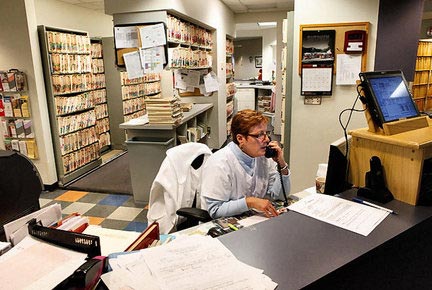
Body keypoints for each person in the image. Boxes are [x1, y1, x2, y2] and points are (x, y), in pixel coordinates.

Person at [201, 109, 291, 219]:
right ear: (240, 138)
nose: (267, 139)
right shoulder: (220, 163)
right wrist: (250, 202)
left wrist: (282, 164)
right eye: (259, 135)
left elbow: (280, 196)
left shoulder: (263, 156)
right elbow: (215, 210)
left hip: (253, 219)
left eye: (266, 133)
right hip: (226, 224)